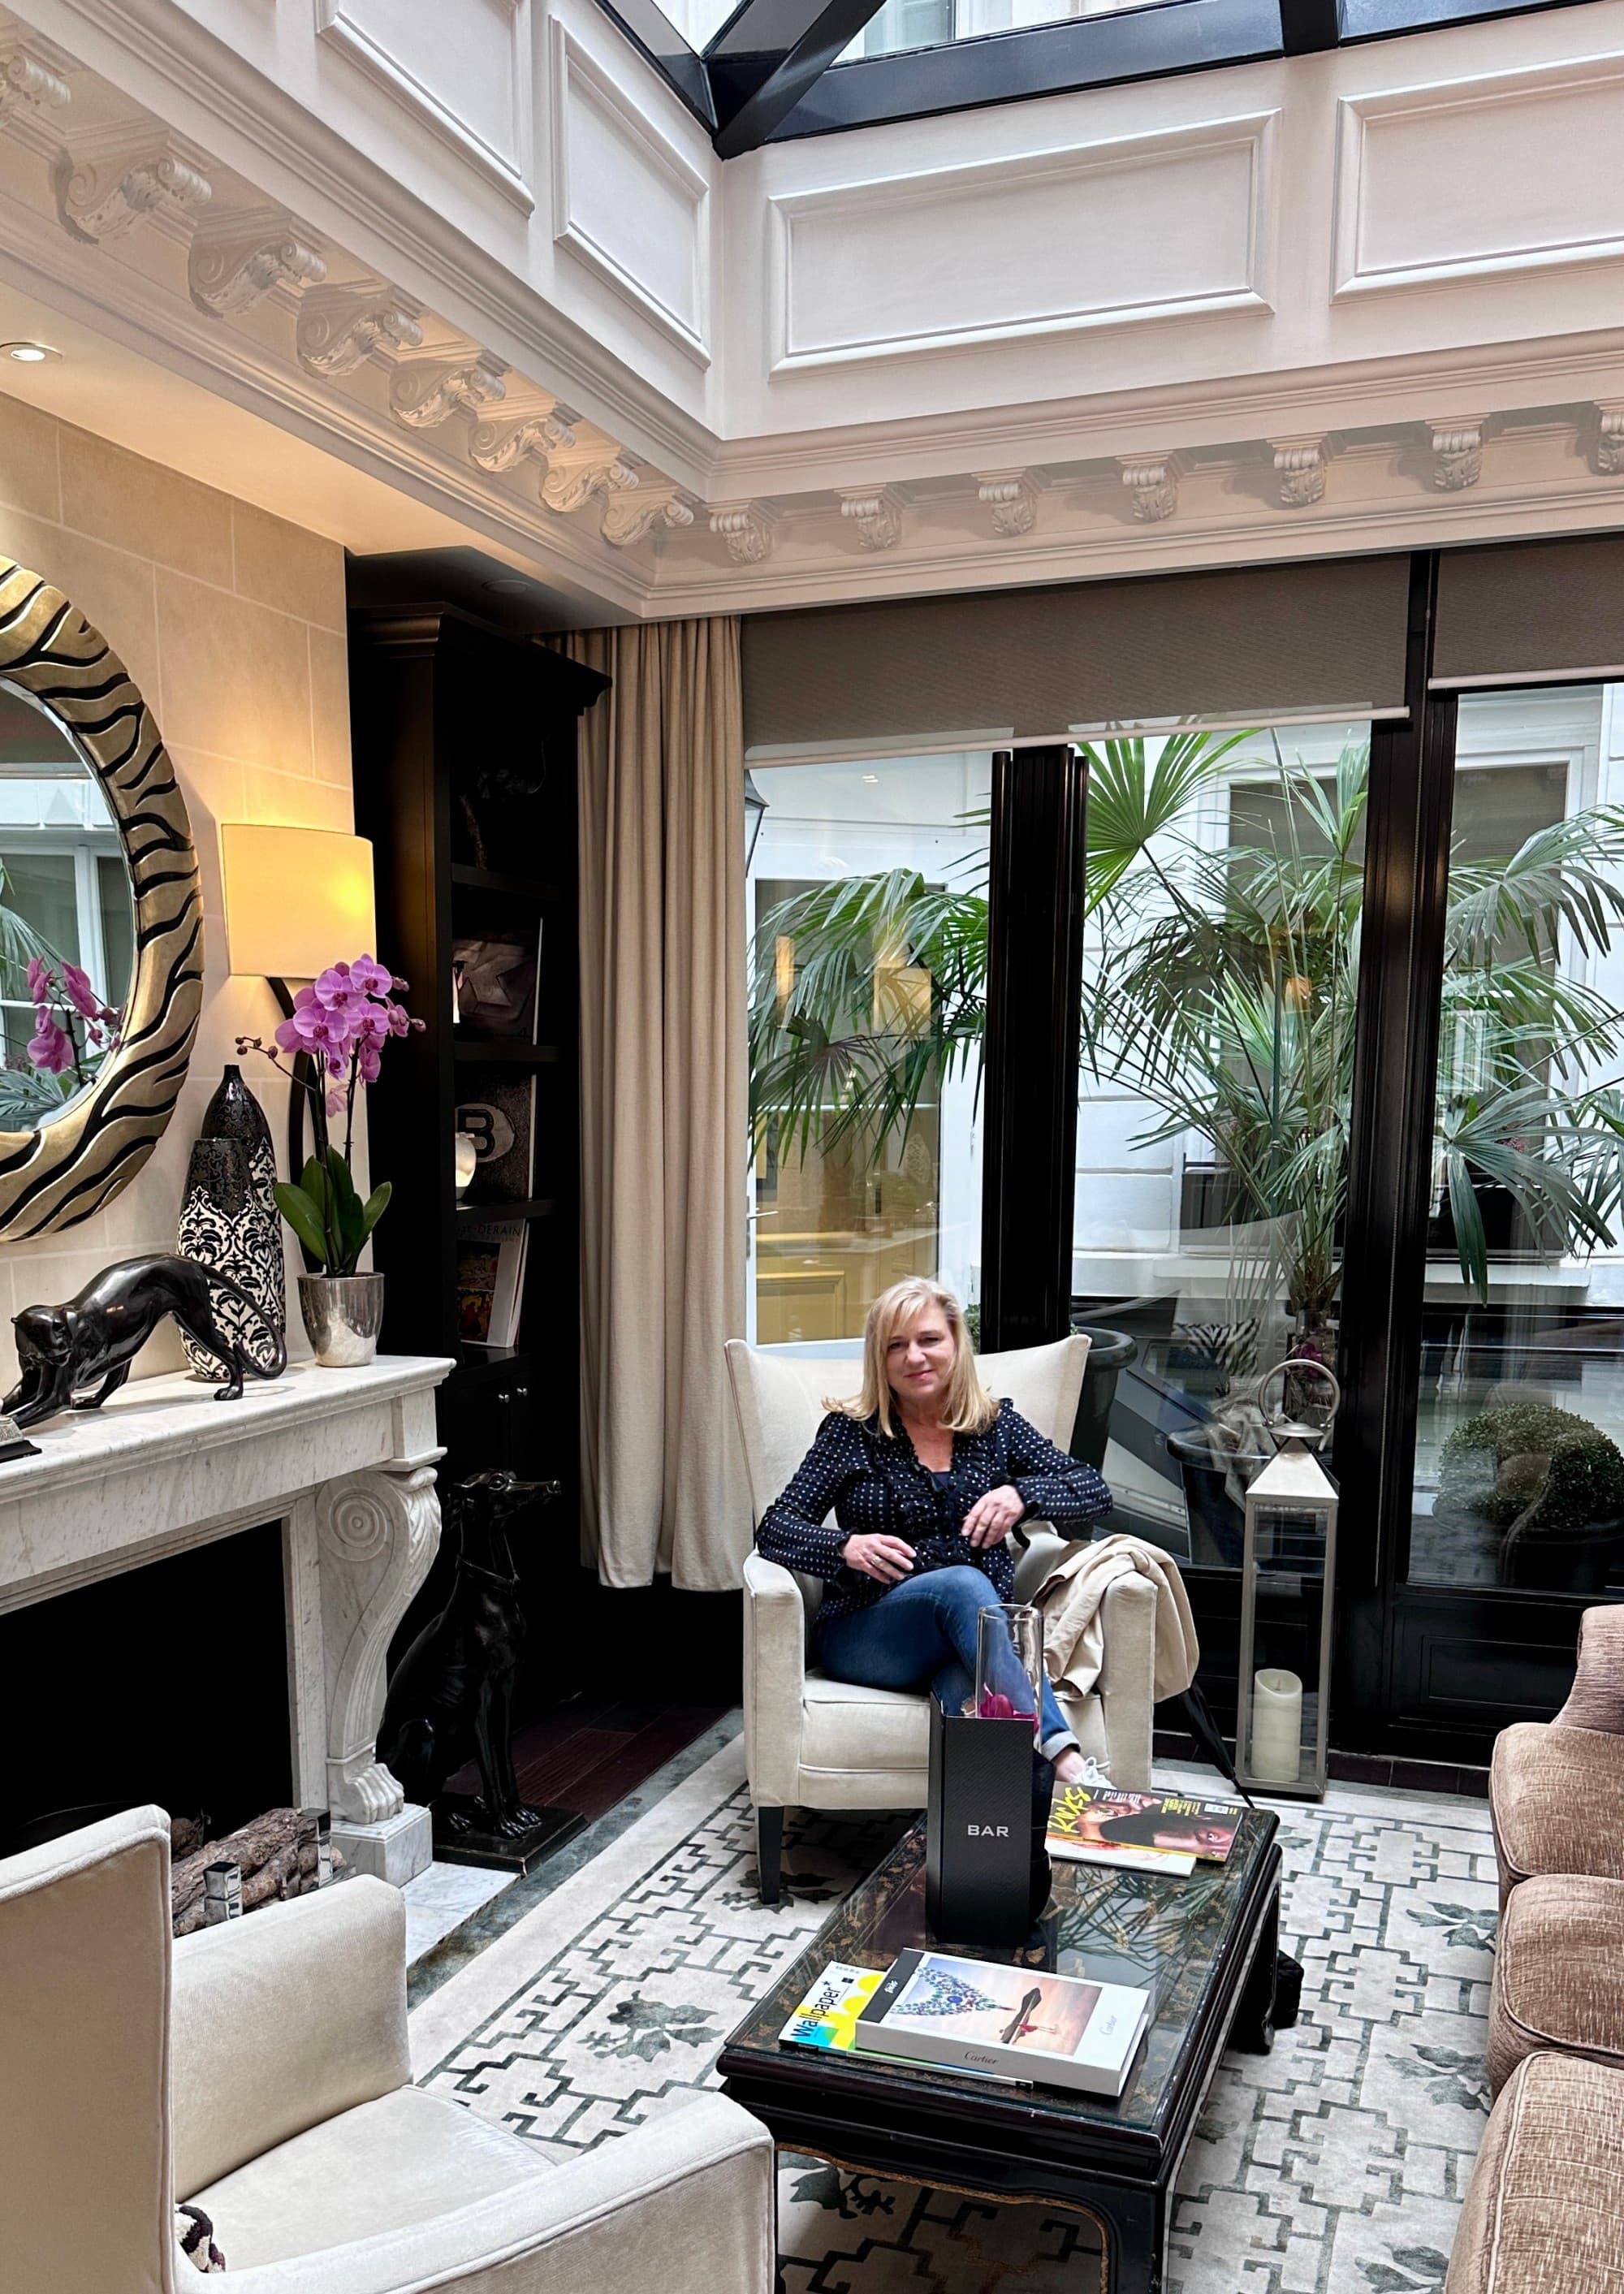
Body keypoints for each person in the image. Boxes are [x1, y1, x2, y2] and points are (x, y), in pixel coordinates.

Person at [754, 1276, 1112, 1786]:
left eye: (928, 1340)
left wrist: (1021, 1496)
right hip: (869, 1632)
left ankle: (1022, 1854)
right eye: (895, 1346)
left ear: (955, 1344)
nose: (914, 1357)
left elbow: (1092, 1488)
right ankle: (1065, 1757)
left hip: (969, 1640)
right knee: (963, 1584)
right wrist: (845, 1547)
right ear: (880, 1360)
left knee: (976, 1704)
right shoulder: (851, 1432)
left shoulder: (993, 1427)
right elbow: (775, 1528)